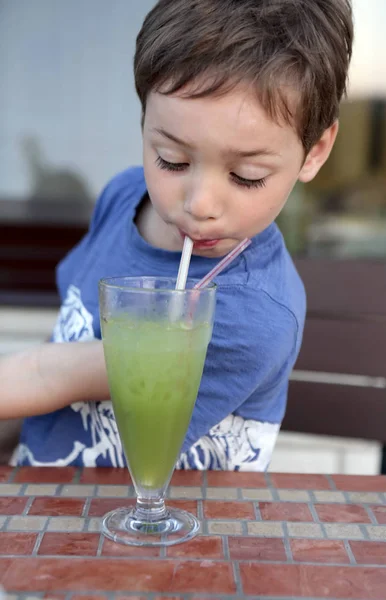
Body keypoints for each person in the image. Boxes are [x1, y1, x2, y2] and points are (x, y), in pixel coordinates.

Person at [1, 0, 353, 470]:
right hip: (46, 508)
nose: (199, 204)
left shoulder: (250, 315)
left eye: (246, 175)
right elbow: (57, 351)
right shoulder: (125, 196)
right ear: (144, 119)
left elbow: (50, 374)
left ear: (314, 151)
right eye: (171, 159)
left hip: (166, 532)